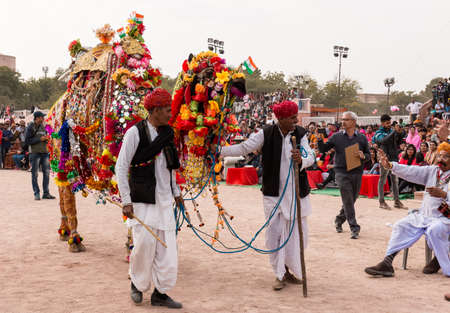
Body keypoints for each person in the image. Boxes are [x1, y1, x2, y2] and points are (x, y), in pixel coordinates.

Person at [220, 100, 315, 290]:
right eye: (292, 117)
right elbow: (243, 148)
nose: (296, 120)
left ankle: (289, 270)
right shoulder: (266, 133)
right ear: (280, 119)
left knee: (297, 234)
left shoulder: (301, 135)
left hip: (296, 193)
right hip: (273, 194)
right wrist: (217, 151)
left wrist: (302, 160)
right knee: (275, 234)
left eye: (296, 116)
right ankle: (279, 274)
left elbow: (310, 156)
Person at [116, 88, 183, 308]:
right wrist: (125, 200)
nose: (168, 114)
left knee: (167, 251)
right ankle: (137, 284)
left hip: (164, 201)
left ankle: (160, 294)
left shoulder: (168, 133)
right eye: (165, 110)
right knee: (144, 246)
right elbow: (121, 166)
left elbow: (171, 167)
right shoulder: (135, 133)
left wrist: (177, 193)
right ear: (154, 110)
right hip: (142, 200)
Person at [364, 143, 450, 278]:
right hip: (425, 215)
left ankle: (442, 261)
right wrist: (391, 165)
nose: (440, 159)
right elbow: (411, 171)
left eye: (445, 157)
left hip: (444, 219)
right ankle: (387, 263)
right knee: (401, 225)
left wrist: (444, 195)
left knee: (435, 229)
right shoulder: (432, 170)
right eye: (440, 156)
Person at [318, 111, 370, 239]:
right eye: (342, 119)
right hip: (341, 172)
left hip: (357, 172)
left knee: (351, 200)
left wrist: (364, 156)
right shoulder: (336, 137)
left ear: (353, 122)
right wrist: (320, 139)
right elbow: (323, 149)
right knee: (347, 199)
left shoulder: (362, 138)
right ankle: (354, 227)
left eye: (346, 119)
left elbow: (368, 155)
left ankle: (339, 219)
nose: (343, 122)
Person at [372, 115, 407, 210]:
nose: (389, 125)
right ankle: (381, 201)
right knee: (382, 179)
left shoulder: (392, 131)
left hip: (394, 157)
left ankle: (396, 201)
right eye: (387, 123)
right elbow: (383, 141)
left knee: (395, 180)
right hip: (384, 158)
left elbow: (399, 142)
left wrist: (400, 132)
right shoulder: (378, 133)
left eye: (390, 123)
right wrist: (395, 132)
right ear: (382, 123)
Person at [25, 111, 55, 200]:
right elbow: (27, 141)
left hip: (45, 152)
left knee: (46, 173)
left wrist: (47, 139)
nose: (43, 118)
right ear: (37, 118)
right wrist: (39, 139)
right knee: (35, 174)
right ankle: (36, 193)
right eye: (42, 117)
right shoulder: (31, 127)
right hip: (34, 153)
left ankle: (46, 193)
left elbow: (48, 136)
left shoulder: (44, 126)